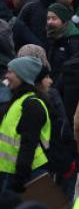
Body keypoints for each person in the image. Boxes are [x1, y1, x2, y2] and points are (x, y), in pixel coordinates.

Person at [0, 56, 51, 193]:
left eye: (11, 72)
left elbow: (29, 142)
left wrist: (20, 176)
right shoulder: (18, 100)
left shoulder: (31, 104)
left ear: (22, 76)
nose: (6, 75)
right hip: (12, 171)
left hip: (27, 174)